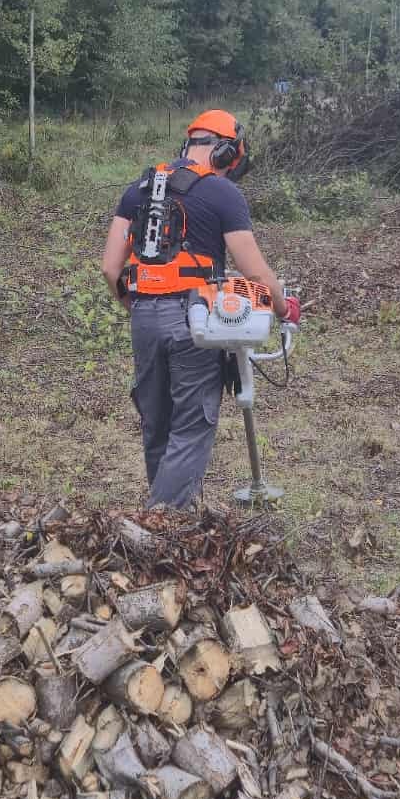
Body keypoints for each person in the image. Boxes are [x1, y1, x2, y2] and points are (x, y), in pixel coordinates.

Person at [100, 109, 295, 507]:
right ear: (225, 153)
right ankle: (161, 524)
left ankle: (167, 515)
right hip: (195, 322)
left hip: (143, 315)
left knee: (157, 423)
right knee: (191, 427)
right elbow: (255, 273)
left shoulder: (137, 189)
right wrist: (283, 307)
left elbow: (109, 267)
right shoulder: (222, 193)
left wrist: (135, 308)